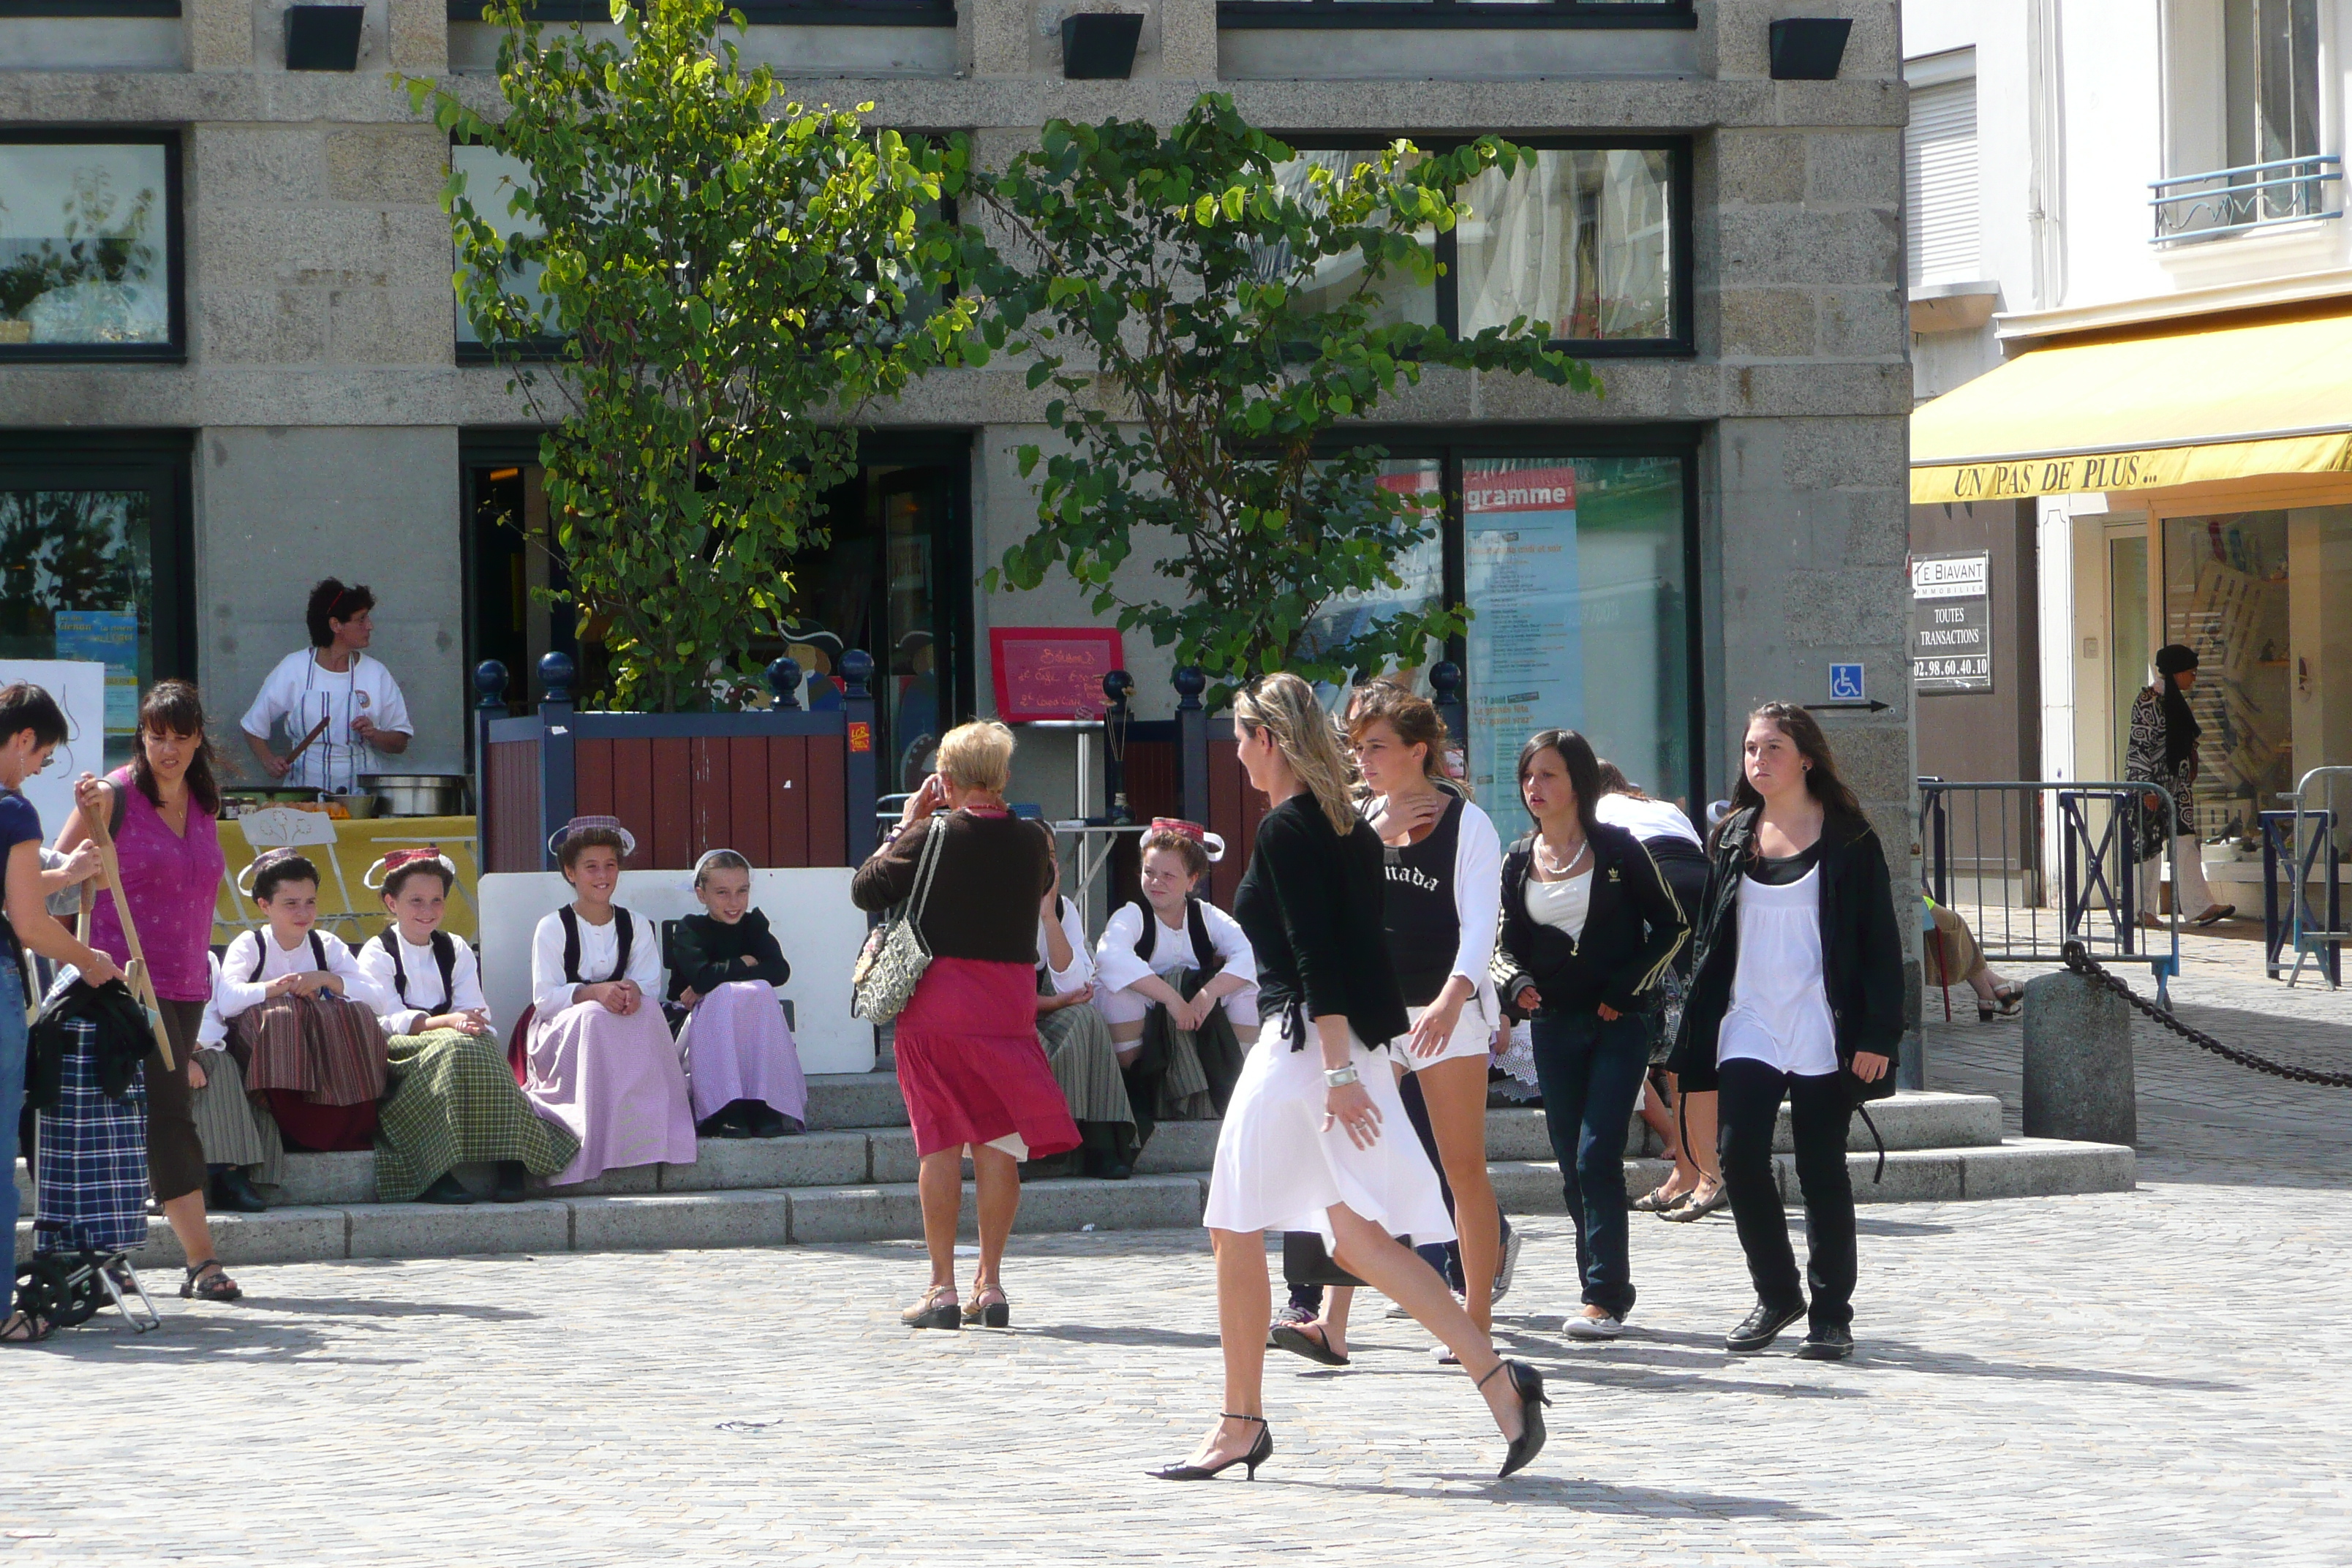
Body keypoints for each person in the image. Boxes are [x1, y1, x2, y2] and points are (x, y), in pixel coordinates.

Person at [1160, 671, 1547, 1485]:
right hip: (1334, 1049)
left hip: (1307, 1048)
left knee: (1236, 1224)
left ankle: (1240, 1421)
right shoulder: (1346, 827)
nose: (1236, 753)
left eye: (1240, 737)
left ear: (1269, 739)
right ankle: (1499, 1380)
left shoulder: (1294, 830)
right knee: (1356, 1237)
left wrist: (1338, 1070)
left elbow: (1318, 960)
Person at [1273, 680, 1511, 1369]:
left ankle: (1476, 1319)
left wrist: (1450, 999)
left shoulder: (1470, 823)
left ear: (1418, 750)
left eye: (1376, 747)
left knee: (1462, 1166)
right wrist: (1376, 834)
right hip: (1378, 1013)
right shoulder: (1359, 816)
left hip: (1448, 1011)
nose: (1363, 759)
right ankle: (1333, 1326)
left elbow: (1479, 926)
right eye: (1356, 747)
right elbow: (1335, 907)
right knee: (1358, 1165)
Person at [1668, 702, 1904, 1362]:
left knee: (1821, 1167)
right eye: (1750, 749)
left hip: (1823, 1024)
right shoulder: (1734, 833)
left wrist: (1879, 1035)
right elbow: (1712, 937)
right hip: (1749, 1020)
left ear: (1805, 756)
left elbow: (1880, 944)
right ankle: (1777, 1294)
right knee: (1737, 1157)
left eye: (1771, 748)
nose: (1758, 761)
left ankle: (1832, 1313)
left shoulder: (1850, 838)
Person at [851, 722, 1079, 1331]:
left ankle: (942, 1288)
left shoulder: (931, 833)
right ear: (1003, 777)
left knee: (940, 1142)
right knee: (1000, 1144)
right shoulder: (1033, 840)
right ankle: (993, 1283)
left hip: (938, 1004)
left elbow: (866, 889)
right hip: (1007, 1005)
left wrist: (909, 820)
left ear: (945, 777)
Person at [54, 680, 245, 1305]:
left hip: (189, 981)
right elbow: (50, 887)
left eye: (180, 737)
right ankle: (200, 1261)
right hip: (120, 981)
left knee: (160, 1116)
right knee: (160, 1116)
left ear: (198, 741)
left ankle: (124, 1261)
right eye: (156, 736)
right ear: (141, 735)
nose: (167, 749)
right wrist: (76, 963)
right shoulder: (109, 796)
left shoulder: (204, 800)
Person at [1494, 729, 1688, 1341]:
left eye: (1548, 775)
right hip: (1553, 1027)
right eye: (1528, 776)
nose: (1535, 788)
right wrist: (1516, 984)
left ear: (1577, 782)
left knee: (1596, 1153)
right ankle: (1597, 1286)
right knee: (1570, 1164)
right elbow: (1501, 946)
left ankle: (1605, 1295)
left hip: (1620, 1024)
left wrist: (1625, 990)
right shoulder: (1519, 859)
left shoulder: (1620, 850)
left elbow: (1672, 928)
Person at [2, 682, 129, 1343]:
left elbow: (38, 885)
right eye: (41, 756)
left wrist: (80, 854)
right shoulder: (12, 810)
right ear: (23, 738)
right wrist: (87, 959)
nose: (35, 769)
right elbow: (27, 918)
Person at [356, 848, 579, 1204]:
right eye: (416, 901)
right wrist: (447, 1023)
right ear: (391, 903)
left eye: (436, 901)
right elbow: (385, 1020)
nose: (428, 911)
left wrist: (469, 1021)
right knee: (455, 1047)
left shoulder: (454, 947)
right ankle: (434, 1170)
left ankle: (511, 1158)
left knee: (478, 1044)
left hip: (452, 1039)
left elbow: (472, 1005)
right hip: (396, 1049)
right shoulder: (377, 952)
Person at [521, 818, 698, 1186]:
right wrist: (593, 994)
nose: (602, 875)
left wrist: (629, 992)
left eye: (610, 865)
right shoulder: (552, 927)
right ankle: (593, 1131)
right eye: (591, 867)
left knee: (647, 1011)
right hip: (563, 1025)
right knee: (592, 1017)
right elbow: (545, 998)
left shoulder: (635, 924)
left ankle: (648, 1133)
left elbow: (649, 983)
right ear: (571, 872)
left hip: (620, 1014)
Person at [1594, 759, 1723, 1223]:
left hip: (1663, 898)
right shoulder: (1661, 807)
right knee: (1686, 1041)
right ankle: (1687, 1174)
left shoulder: (1599, 812)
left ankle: (1703, 1173)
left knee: (1676, 1048)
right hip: (1707, 895)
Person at [215, 850, 393, 1152]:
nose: (303, 913)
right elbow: (227, 1001)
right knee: (281, 1015)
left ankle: (348, 1126)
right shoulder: (251, 944)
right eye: (291, 904)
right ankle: (290, 1128)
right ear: (265, 905)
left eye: (310, 902)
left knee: (355, 1015)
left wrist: (327, 979)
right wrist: (275, 988)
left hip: (320, 1053)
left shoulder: (326, 944)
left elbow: (377, 1000)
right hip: (266, 1052)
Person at [1093, 821, 1259, 1130]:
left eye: (1168, 876)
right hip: (1153, 1020)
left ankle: (1237, 1088)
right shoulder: (1132, 915)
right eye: (1149, 872)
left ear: (1192, 881)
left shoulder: (1207, 916)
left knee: (1247, 992)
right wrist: (1171, 998)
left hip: (1196, 1021)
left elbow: (1248, 954)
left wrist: (1207, 995)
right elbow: (1110, 956)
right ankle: (1137, 1090)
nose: (1156, 882)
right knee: (1115, 994)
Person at [666, 848, 808, 1139]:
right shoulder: (690, 929)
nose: (734, 902)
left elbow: (779, 971)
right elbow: (700, 976)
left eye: (742, 891)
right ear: (701, 894)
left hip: (744, 1022)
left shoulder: (754, 925)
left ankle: (762, 1100)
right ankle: (723, 1104)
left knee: (758, 993)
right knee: (729, 996)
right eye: (722, 893)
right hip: (696, 1024)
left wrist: (717, 978)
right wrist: (743, 963)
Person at [241, 578, 413, 795]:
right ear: (336, 625)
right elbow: (252, 726)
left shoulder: (376, 673)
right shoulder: (294, 668)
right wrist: (268, 761)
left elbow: (400, 743)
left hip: (361, 799)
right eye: (361, 620)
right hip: (304, 796)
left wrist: (374, 734)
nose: (370, 626)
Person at [1035, 837, 1139, 1178]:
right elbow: (999, 996)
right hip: (1001, 1012)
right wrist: (1058, 1002)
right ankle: (1039, 1144)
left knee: (1087, 1017)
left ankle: (1100, 1143)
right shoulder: (994, 906)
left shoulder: (1063, 908)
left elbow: (1075, 985)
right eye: (1036, 857)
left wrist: (1049, 917)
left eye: (1050, 856)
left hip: (1043, 1004)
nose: (1046, 865)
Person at [2127, 644, 2233, 927]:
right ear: (2176, 672)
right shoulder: (2149, 701)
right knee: (2149, 848)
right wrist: (2145, 789)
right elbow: (2139, 748)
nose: (2194, 678)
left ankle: (2199, 905)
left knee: (2186, 842)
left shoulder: (2175, 701)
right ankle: (2141, 910)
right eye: (2191, 672)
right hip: (2153, 788)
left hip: (2177, 788)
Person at [190, 951, 286, 1213]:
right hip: (144, 1049)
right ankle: (221, 1175)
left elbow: (210, 1017)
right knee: (214, 1066)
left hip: (191, 1042)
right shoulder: (125, 952)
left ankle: (228, 1175)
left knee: (221, 1064)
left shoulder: (203, 957)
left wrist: (187, 1052)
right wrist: (175, 1057)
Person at [1921, 895, 2024, 1023]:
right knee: (1955, 924)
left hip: (1918, 906)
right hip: (1918, 907)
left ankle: (1990, 992)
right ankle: (1994, 989)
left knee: (1954, 927)